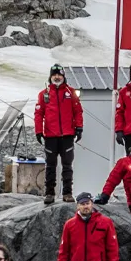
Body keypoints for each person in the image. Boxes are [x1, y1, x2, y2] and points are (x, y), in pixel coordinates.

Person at [34, 64, 83, 205]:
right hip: (50, 136)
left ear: (63, 76)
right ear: (50, 77)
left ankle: (67, 193)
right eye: (54, 75)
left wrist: (79, 128)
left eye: (59, 75)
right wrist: (38, 131)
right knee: (50, 165)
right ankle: (49, 193)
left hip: (67, 135)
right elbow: (38, 113)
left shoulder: (71, 92)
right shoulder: (44, 94)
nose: (57, 77)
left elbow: (78, 111)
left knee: (67, 165)